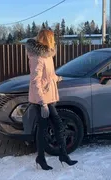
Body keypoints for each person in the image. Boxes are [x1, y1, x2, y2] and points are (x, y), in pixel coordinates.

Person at [25, 29, 78, 170]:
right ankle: (47, 158)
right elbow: (36, 81)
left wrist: (58, 78)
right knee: (48, 128)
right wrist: (42, 103)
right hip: (41, 100)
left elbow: (49, 76)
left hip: (48, 97)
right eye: (52, 38)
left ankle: (60, 155)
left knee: (52, 127)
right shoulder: (37, 58)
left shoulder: (47, 56)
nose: (54, 41)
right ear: (47, 39)